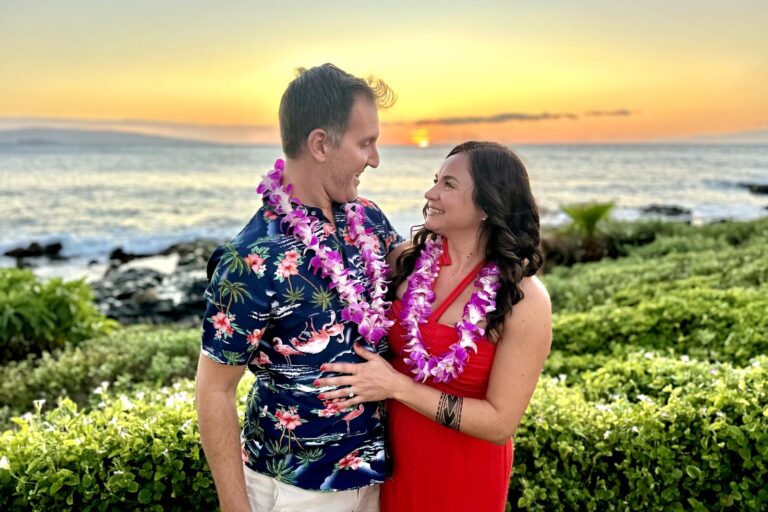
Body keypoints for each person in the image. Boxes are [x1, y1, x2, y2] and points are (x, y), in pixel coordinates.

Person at [195, 63, 402, 512]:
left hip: (379, 475)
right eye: (366, 143)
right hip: (297, 490)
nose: (375, 159)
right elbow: (214, 390)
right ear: (320, 144)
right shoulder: (250, 259)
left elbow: (431, 279)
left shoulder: (369, 220)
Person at [314, 141, 553, 512]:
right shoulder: (406, 263)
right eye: (435, 180)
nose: (431, 193)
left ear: (489, 205)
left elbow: (500, 422)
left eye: (449, 185)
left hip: (463, 475)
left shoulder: (524, 298)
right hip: (391, 468)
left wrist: (397, 387)